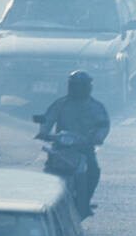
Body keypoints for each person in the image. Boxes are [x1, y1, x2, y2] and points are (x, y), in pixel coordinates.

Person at [37, 70, 110, 218]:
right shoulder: (61, 104)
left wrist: (97, 137)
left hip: (84, 149)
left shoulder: (96, 107)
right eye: (74, 86)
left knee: (94, 172)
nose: (77, 89)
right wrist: (44, 132)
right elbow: (47, 118)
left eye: (81, 86)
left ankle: (85, 202)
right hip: (60, 148)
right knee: (47, 172)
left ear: (88, 88)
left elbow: (103, 125)